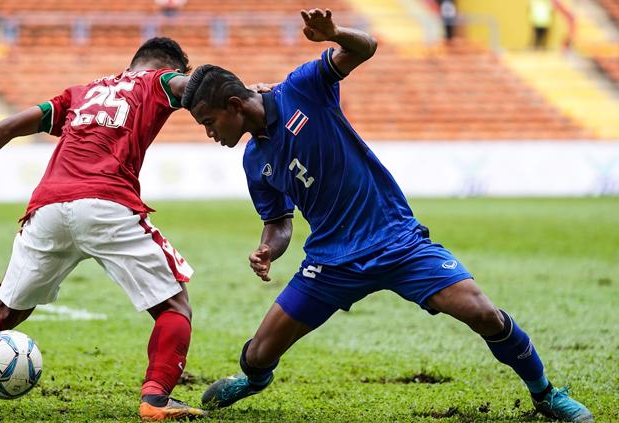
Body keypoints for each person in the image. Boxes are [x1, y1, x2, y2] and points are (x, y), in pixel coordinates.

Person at [181, 9, 593, 422]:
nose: (209, 133)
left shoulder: (301, 90)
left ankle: (546, 394)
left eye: (209, 122)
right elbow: (279, 223)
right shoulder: (255, 161)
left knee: (483, 312)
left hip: (396, 241)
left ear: (234, 105)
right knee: (257, 354)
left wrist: (335, 33)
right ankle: (253, 380)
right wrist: (268, 249)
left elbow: (365, 48)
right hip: (330, 261)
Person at [0, 37, 206, 421]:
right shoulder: (159, 81)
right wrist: (248, 94)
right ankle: (155, 400)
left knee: (4, 310)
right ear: (170, 68)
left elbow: (5, 126)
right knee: (174, 305)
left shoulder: (81, 93)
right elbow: (193, 88)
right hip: (106, 203)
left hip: (46, 208)